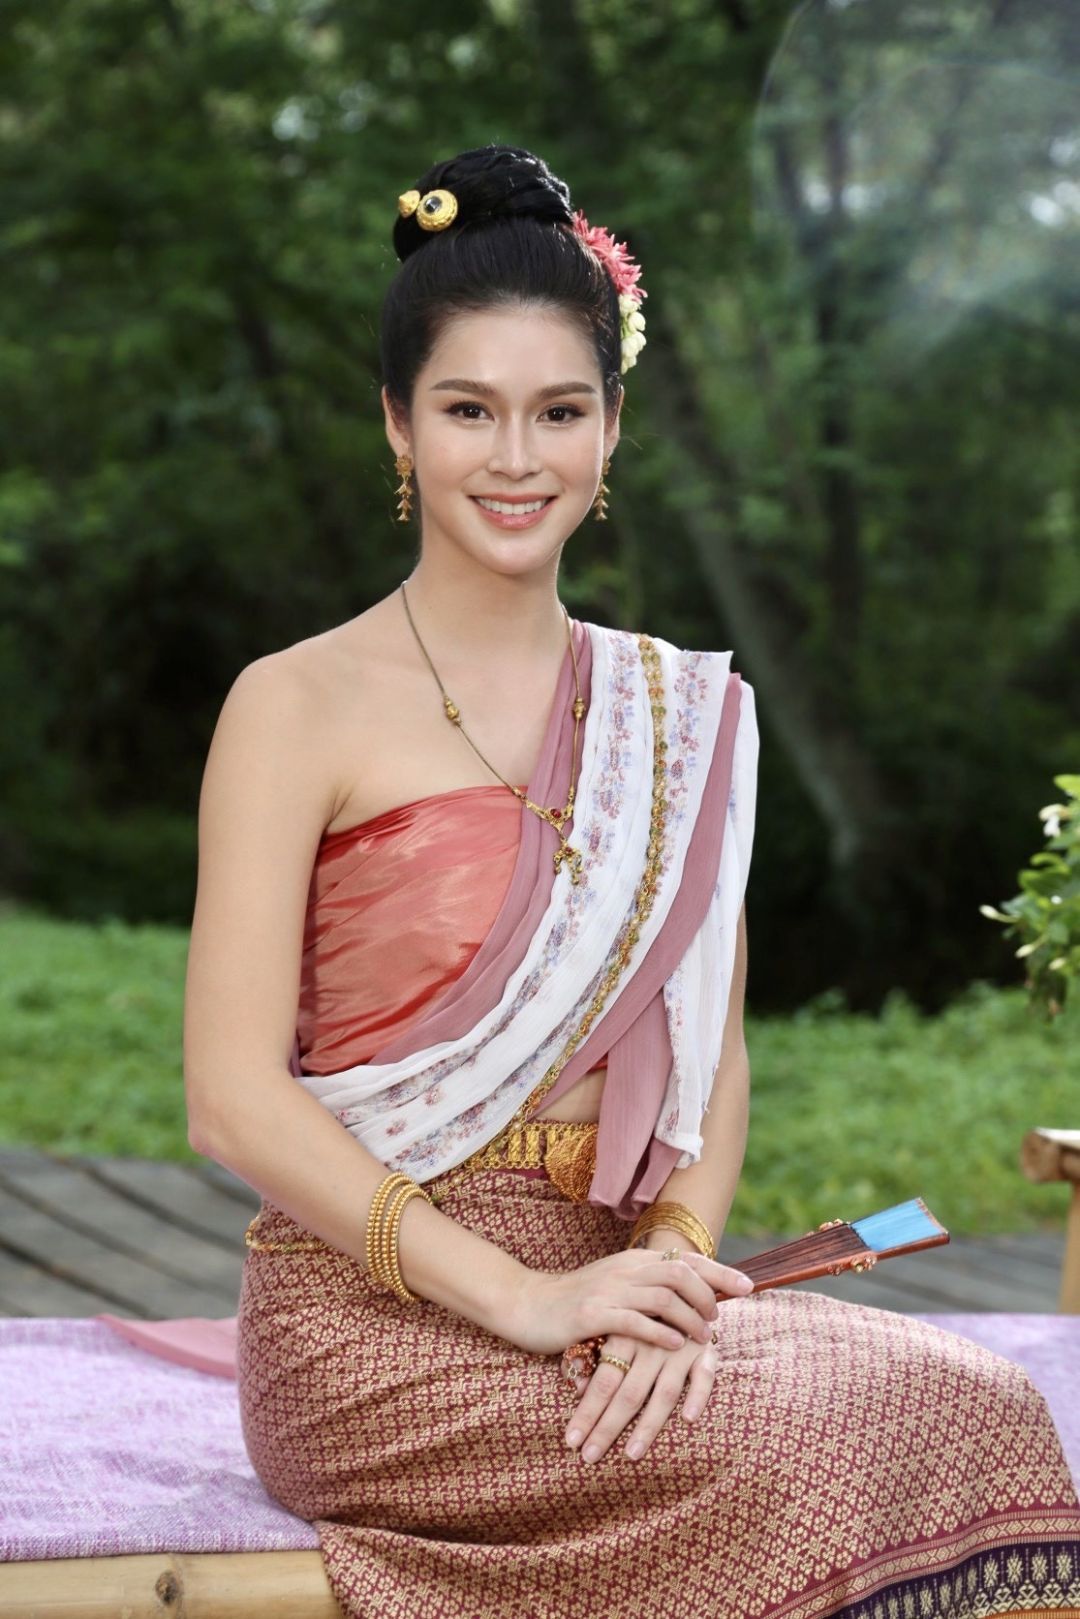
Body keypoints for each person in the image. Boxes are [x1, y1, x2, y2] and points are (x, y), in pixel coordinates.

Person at [182, 144, 1080, 1619]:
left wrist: (668, 1269)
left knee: (976, 1404)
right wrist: (527, 1298)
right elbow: (228, 1100)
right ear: (397, 422)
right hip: (374, 1314)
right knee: (787, 1459)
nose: (516, 457)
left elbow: (709, 1058)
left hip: (616, 1279)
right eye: (468, 409)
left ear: (612, 425)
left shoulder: (675, 713)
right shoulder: (294, 704)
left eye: (560, 411)